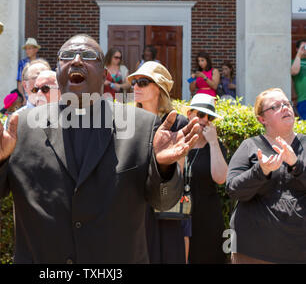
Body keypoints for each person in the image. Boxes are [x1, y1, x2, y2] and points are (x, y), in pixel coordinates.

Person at [0, 34, 201, 263]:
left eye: (89, 55)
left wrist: (164, 167)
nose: (77, 60)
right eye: (67, 56)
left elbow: (163, 201)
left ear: (104, 74)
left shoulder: (141, 127)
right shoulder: (22, 127)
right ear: (58, 70)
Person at [226, 88, 306, 264]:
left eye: (286, 103)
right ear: (262, 119)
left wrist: (296, 164)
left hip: (299, 251)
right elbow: (233, 189)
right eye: (276, 106)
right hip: (253, 252)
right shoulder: (249, 146)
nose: (285, 108)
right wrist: (261, 171)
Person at [127, 61, 191, 264]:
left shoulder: (178, 123)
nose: (136, 87)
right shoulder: (127, 121)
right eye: (134, 82)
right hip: (134, 208)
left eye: (143, 82)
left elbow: (176, 174)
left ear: (159, 88)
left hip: (165, 208)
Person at [185, 93, 228, 264]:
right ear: (190, 114)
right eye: (200, 114)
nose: (204, 120)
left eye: (209, 117)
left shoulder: (216, 146)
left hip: (208, 219)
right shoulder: (179, 140)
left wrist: (213, 142)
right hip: (180, 215)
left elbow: (221, 179)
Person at [17, 38, 41, 102]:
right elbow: (20, 82)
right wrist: (23, 97)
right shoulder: (22, 63)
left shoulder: (41, 63)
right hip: (27, 95)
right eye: (26, 49)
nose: (27, 51)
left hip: (39, 95)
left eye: (29, 48)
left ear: (36, 49)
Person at [291, 39, 306, 120]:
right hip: (304, 100)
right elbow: (294, 72)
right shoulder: (294, 62)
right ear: (297, 49)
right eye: (303, 47)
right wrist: (299, 55)